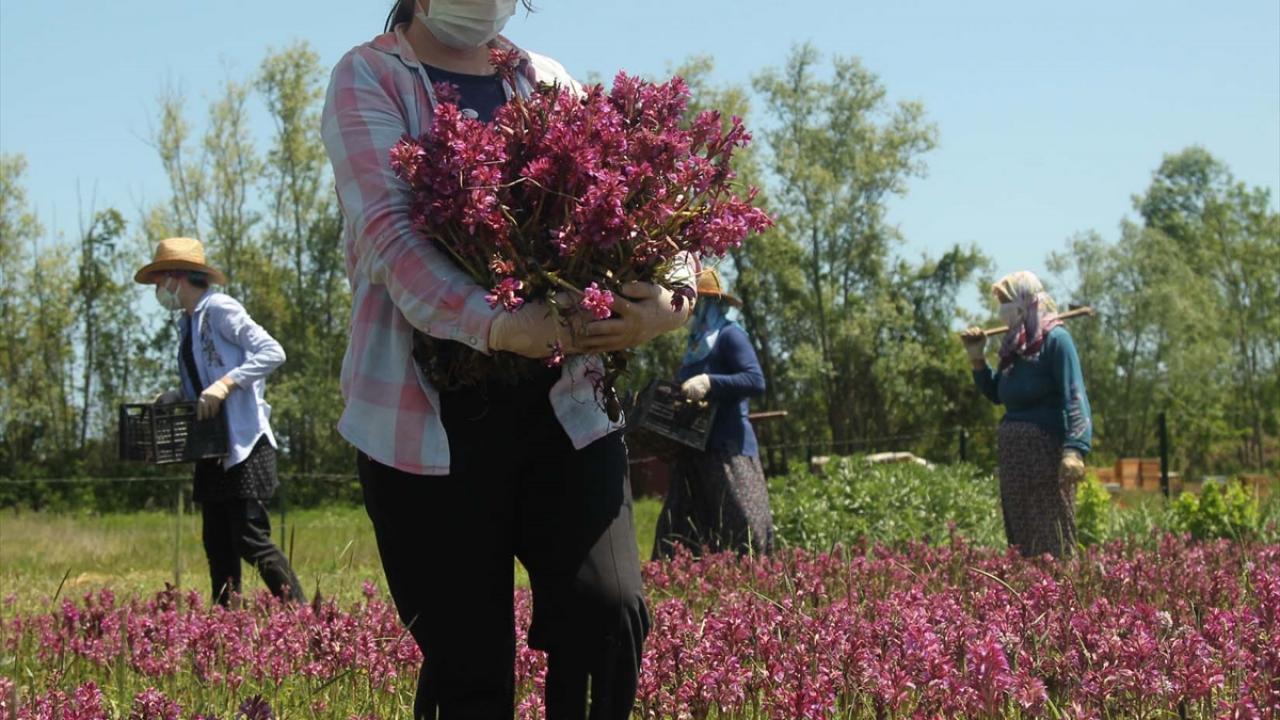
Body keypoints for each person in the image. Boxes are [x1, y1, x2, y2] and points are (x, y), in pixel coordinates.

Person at [320, 2, 691, 716]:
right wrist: (506, 325)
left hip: (567, 404)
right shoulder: (368, 76)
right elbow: (391, 241)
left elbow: (648, 205)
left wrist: (668, 300)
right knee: (469, 668)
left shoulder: (545, 79)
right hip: (428, 418)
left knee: (607, 615)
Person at [136, 236, 305, 606]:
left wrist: (228, 384)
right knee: (216, 541)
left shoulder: (220, 309)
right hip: (211, 445)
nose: (157, 291)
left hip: (245, 443)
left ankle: (301, 614)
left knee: (249, 537)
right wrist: (173, 397)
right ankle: (226, 623)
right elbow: (199, 384)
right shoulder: (187, 323)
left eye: (159, 281)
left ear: (177, 278)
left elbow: (272, 351)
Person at [962, 270, 1092, 558]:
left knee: (1050, 525)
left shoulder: (1056, 340)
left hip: (1045, 452)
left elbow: (1075, 394)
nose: (1001, 311)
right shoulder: (1014, 346)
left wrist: (1075, 449)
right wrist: (977, 358)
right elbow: (999, 393)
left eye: (1006, 302)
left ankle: (1061, 588)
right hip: (1014, 457)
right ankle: (1026, 590)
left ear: (1025, 302)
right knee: (1020, 530)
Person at [652, 269, 774, 559]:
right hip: (694, 450)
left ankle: (756, 590)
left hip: (727, 449)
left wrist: (710, 382)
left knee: (743, 529)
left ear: (708, 303)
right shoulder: (696, 344)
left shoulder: (730, 337)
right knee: (681, 533)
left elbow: (755, 381)